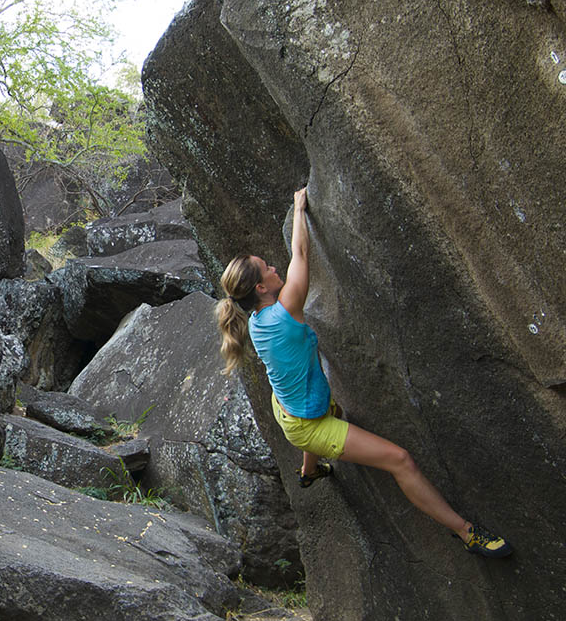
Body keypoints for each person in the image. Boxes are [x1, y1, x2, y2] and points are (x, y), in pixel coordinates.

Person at [214, 187, 512, 558]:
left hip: (289, 408)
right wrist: (298, 206)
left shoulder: (255, 320)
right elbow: (301, 254)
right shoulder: (286, 310)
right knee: (400, 460)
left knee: (323, 407)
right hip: (307, 422)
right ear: (261, 287)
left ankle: (309, 473)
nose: (274, 267)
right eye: (267, 268)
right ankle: (467, 533)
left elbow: (292, 264)